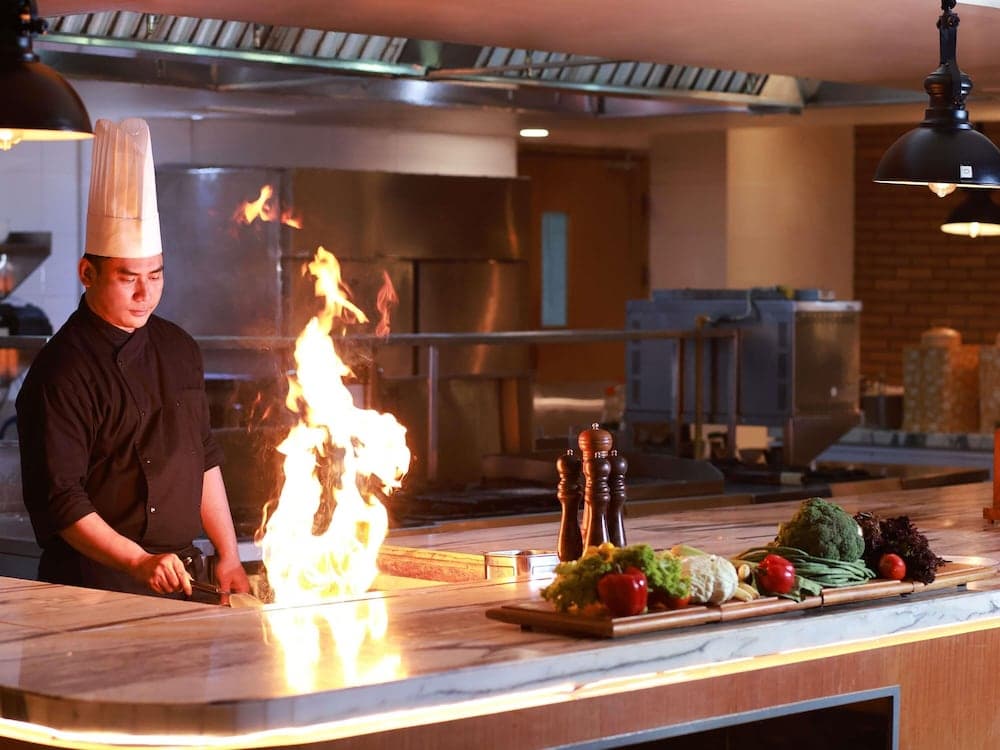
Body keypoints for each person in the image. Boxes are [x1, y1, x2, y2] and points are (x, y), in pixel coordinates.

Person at [15, 118, 250, 598]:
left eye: (156, 276)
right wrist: (137, 561)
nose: (146, 294)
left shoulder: (179, 347)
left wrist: (228, 553)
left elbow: (203, 457)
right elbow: (62, 500)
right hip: (92, 588)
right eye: (128, 279)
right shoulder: (61, 371)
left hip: (180, 579)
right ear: (87, 273)